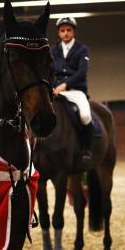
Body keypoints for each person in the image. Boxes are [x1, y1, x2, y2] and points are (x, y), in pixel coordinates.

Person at [51, 17, 93, 166]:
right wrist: (54, 86)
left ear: (73, 31)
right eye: (62, 30)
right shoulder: (53, 50)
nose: (66, 33)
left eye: (68, 30)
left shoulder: (82, 49)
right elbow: (49, 70)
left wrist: (65, 85)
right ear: (59, 33)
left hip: (75, 91)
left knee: (86, 115)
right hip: (55, 90)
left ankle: (87, 148)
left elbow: (82, 72)